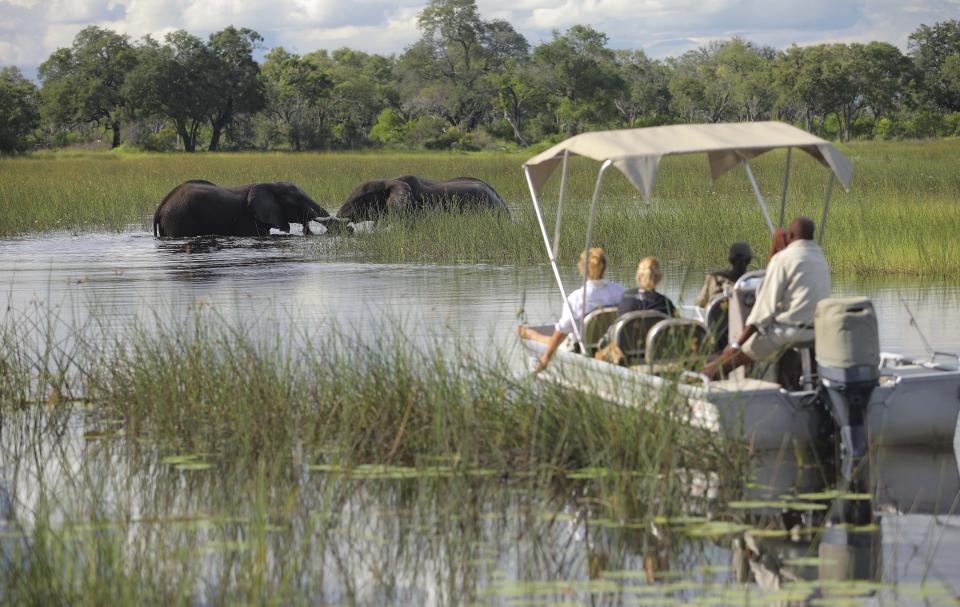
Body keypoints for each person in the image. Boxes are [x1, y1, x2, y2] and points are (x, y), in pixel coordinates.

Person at [703, 217, 830, 379]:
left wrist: (736, 344)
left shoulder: (783, 259)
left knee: (735, 357)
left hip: (789, 333)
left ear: (790, 236)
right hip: (817, 332)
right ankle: (789, 385)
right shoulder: (819, 257)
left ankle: (707, 379)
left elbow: (763, 310)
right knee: (784, 351)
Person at [519, 247, 625, 373]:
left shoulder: (577, 298)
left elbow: (560, 334)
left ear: (583, 269)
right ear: (605, 267)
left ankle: (530, 335)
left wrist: (544, 360)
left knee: (535, 335)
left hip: (581, 348)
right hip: (611, 343)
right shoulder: (620, 291)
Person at [694, 242, 753, 308]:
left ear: (730, 260)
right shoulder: (755, 280)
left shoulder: (714, 278)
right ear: (749, 260)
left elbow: (701, 302)